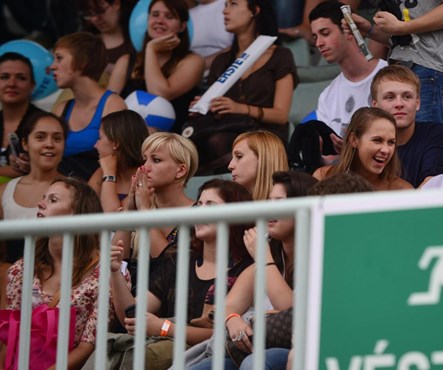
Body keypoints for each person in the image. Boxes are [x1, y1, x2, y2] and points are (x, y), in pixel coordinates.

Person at [109, 179, 253, 368]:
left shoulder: (247, 268)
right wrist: (115, 273)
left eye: (211, 206)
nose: (200, 212)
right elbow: (132, 317)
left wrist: (164, 328)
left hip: (203, 356)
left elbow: (218, 335)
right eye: (199, 204)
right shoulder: (180, 257)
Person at [186, 171, 318, 370]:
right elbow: (226, 307)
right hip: (250, 346)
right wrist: (233, 320)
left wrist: (264, 258)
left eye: (279, 202)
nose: (270, 209)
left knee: (253, 364)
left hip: (297, 348)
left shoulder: (316, 257)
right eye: (269, 201)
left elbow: (291, 312)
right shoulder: (266, 254)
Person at [3, 177, 119, 369]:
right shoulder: (21, 269)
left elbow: (87, 346)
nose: (40, 203)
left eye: (53, 200)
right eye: (43, 198)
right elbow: (9, 339)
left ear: (76, 214)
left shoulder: (105, 275)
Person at [184, 0, 297, 174]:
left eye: (233, 4)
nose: (225, 11)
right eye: (225, 5)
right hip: (226, 130)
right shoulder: (221, 62)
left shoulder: (281, 56)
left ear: (255, 10)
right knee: (192, 145)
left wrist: (240, 108)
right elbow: (216, 110)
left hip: (265, 136)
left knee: (219, 142)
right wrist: (204, 106)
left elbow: (281, 115)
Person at [346, 0, 443, 125]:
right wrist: (369, 30)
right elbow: (406, 39)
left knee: (427, 141)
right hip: (402, 73)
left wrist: (401, 27)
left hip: (430, 71)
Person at [0, 111, 68, 307]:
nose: (49, 144)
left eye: (57, 138)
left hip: (56, 289)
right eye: (40, 137)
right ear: (24, 144)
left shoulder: (77, 191)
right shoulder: (4, 191)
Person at [108, 0, 204, 131]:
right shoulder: (126, 61)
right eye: (155, 14)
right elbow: (108, 105)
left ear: (182, 26)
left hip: (171, 141)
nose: (159, 20)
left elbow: (159, 94)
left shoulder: (193, 61)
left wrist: (151, 50)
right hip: (126, 136)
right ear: (147, 20)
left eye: (169, 16)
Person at [111, 132, 197, 266]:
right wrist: (129, 211)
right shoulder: (139, 208)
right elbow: (114, 264)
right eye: (145, 159)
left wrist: (145, 213)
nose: (145, 167)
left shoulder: (199, 214)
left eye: (156, 160)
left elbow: (169, 268)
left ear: (180, 170)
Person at [50, 32, 128, 180]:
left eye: (59, 58)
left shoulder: (113, 104)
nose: (53, 66)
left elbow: (117, 162)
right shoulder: (61, 108)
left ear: (83, 61)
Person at [309, 0, 388, 138]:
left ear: (349, 29)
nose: (318, 43)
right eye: (315, 36)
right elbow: (329, 156)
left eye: (325, 33)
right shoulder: (326, 97)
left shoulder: (390, 76)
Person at [370, 65, 443, 188]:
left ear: (418, 103)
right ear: (375, 105)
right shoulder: (365, 141)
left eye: (407, 96)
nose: (399, 104)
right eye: (390, 97)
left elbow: (432, 186)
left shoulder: (435, 133)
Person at [313, 107, 412, 191]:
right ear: (354, 140)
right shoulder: (322, 177)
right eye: (377, 140)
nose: (386, 150)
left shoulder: (403, 191)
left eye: (391, 142)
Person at [87, 110, 151, 212]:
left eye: (100, 138)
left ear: (116, 143)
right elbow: (86, 210)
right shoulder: (100, 173)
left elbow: (114, 219)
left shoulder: (146, 174)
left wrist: (109, 173)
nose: (95, 145)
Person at [0, 52, 43, 181]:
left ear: (32, 85)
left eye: (21, 78)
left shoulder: (44, 123)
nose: (12, 83)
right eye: (4, 77)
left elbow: (42, 167)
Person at [78, 0, 135, 78]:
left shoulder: (138, 34)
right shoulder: (87, 45)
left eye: (99, 11)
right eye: (88, 14)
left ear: (116, 4)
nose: (95, 19)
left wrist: (114, 69)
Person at [228, 130, 289, 201]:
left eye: (239, 156)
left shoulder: (293, 202)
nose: (230, 166)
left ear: (264, 158)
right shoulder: (230, 204)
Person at [189, 0, 233, 69]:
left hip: (233, 69)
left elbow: (244, 43)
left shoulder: (233, 4)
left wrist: (198, 66)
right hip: (192, 74)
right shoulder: (186, 16)